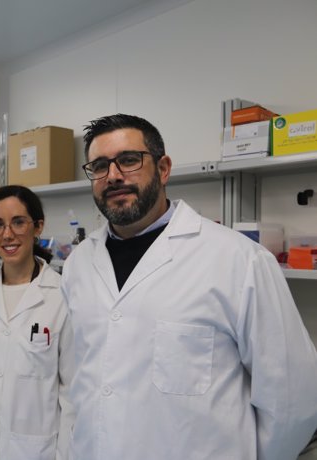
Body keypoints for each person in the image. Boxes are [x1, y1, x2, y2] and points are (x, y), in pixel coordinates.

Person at [60, 113, 317, 459]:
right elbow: (83, 383)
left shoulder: (239, 260)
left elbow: (292, 399)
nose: (114, 176)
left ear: (163, 169)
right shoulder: (78, 264)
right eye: (99, 166)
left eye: (129, 160)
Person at [0, 185, 75, 460]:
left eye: (18, 222)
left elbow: (71, 393)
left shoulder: (62, 296)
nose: (7, 234)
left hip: (36, 450)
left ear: (38, 227)